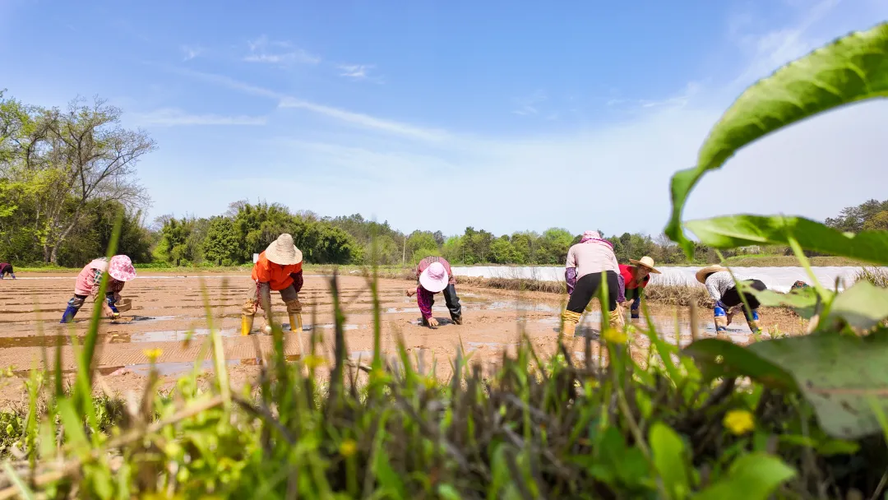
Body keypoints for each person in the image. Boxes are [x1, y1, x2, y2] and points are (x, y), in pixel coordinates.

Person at [562, 231, 625, 336]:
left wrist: (572, 292)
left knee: (570, 316)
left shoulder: (575, 248)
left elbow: (570, 273)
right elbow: (619, 277)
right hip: (610, 278)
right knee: (613, 315)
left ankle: (565, 345)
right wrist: (620, 299)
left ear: (584, 239)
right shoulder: (608, 249)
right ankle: (619, 345)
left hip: (588, 278)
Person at [241, 233, 304, 335]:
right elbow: (263, 287)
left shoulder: (296, 260)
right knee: (249, 305)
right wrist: (267, 313)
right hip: (261, 280)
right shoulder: (263, 261)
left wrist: (294, 294)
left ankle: (298, 333)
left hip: (283, 279)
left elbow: (297, 277)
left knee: (294, 305)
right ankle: (244, 335)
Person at [60, 255, 136, 323]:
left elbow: (120, 281)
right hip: (88, 278)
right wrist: (105, 307)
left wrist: (116, 292)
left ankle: (115, 317)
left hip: (108, 280)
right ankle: (66, 320)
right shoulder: (102, 269)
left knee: (111, 298)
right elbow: (96, 292)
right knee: (78, 300)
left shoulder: (121, 270)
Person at [696, 265, 766, 334]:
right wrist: (730, 315)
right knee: (749, 308)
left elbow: (717, 299)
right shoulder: (729, 275)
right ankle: (757, 333)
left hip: (741, 287)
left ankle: (721, 332)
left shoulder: (709, 279)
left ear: (705, 277)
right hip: (760, 286)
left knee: (720, 305)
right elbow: (740, 300)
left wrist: (723, 316)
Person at [406, 256, 462, 329]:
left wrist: (415, 290)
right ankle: (426, 320)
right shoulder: (422, 270)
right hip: (425, 271)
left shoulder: (447, 271)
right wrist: (429, 316)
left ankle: (458, 321)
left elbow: (437, 290)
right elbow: (422, 298)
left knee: (452, 299)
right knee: (426, 298)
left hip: (446, 274)